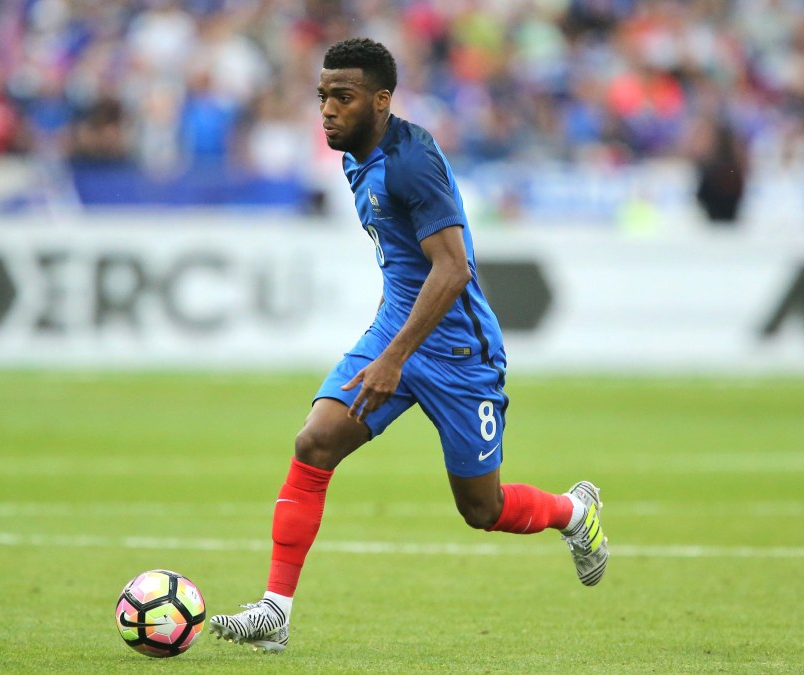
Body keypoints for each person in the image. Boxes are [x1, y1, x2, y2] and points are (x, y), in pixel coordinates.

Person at [209, 38, 609, 654]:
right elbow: (402, 263)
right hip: (396, 330)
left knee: (481, 508)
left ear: (381, 99)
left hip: (459, 354)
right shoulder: (353, 158)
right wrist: (386, 345)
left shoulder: (412, 159)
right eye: (322, 97)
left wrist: (394, 357)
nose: (327, 111)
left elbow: (453, 271)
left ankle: (574, 514)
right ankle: (275, 610)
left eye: (342, 97)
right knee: (314, 442)